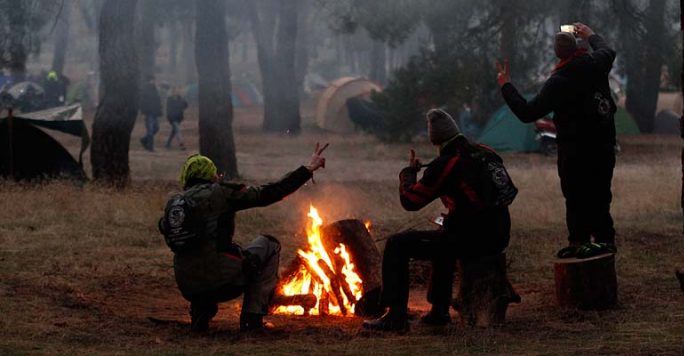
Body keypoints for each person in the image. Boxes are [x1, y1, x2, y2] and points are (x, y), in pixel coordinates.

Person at [362, 109, 517, 332]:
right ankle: (439, 313)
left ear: (434, 138)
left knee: (397, 244)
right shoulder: (486, 151)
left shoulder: (447, 163)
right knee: (444, 237)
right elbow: (505, 191)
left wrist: (407, 174)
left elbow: (411, 200)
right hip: (500, 234)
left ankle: (395, 317)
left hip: (475, 239)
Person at [158, 143, 328, 332]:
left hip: (188, 286)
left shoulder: (174, 204)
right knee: (269, 245)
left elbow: (166, 228)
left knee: (200, 256)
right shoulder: (221, 193)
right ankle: (252, 318)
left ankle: (200, 313)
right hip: (223, 281)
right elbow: (269, 193)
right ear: (211, 174)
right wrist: (307, 169)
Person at [496, 22, 617, 259]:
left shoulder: (558, 82)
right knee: (601, 197)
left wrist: (506, 85)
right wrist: (591, 34)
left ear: (557, 54)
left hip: (575, 152)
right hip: (603, 147)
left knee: (575, 198)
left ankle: (578, 243)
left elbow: (527, 112)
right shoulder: (596, 64)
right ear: (577, 46)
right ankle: (605, 243)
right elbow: (608, 51)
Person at [139, 76, 162, 152]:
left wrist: (159, 112)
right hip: (149, 113)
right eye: (154, 80)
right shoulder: (145, 89)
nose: (155, 81)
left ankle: (144, 140)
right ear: (151, 80)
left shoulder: (155, 89)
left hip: (154, 113)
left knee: (156, 128)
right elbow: (143, 102)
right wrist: (143, 112)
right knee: (150, 130)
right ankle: (150, 147)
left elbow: (157, 101)